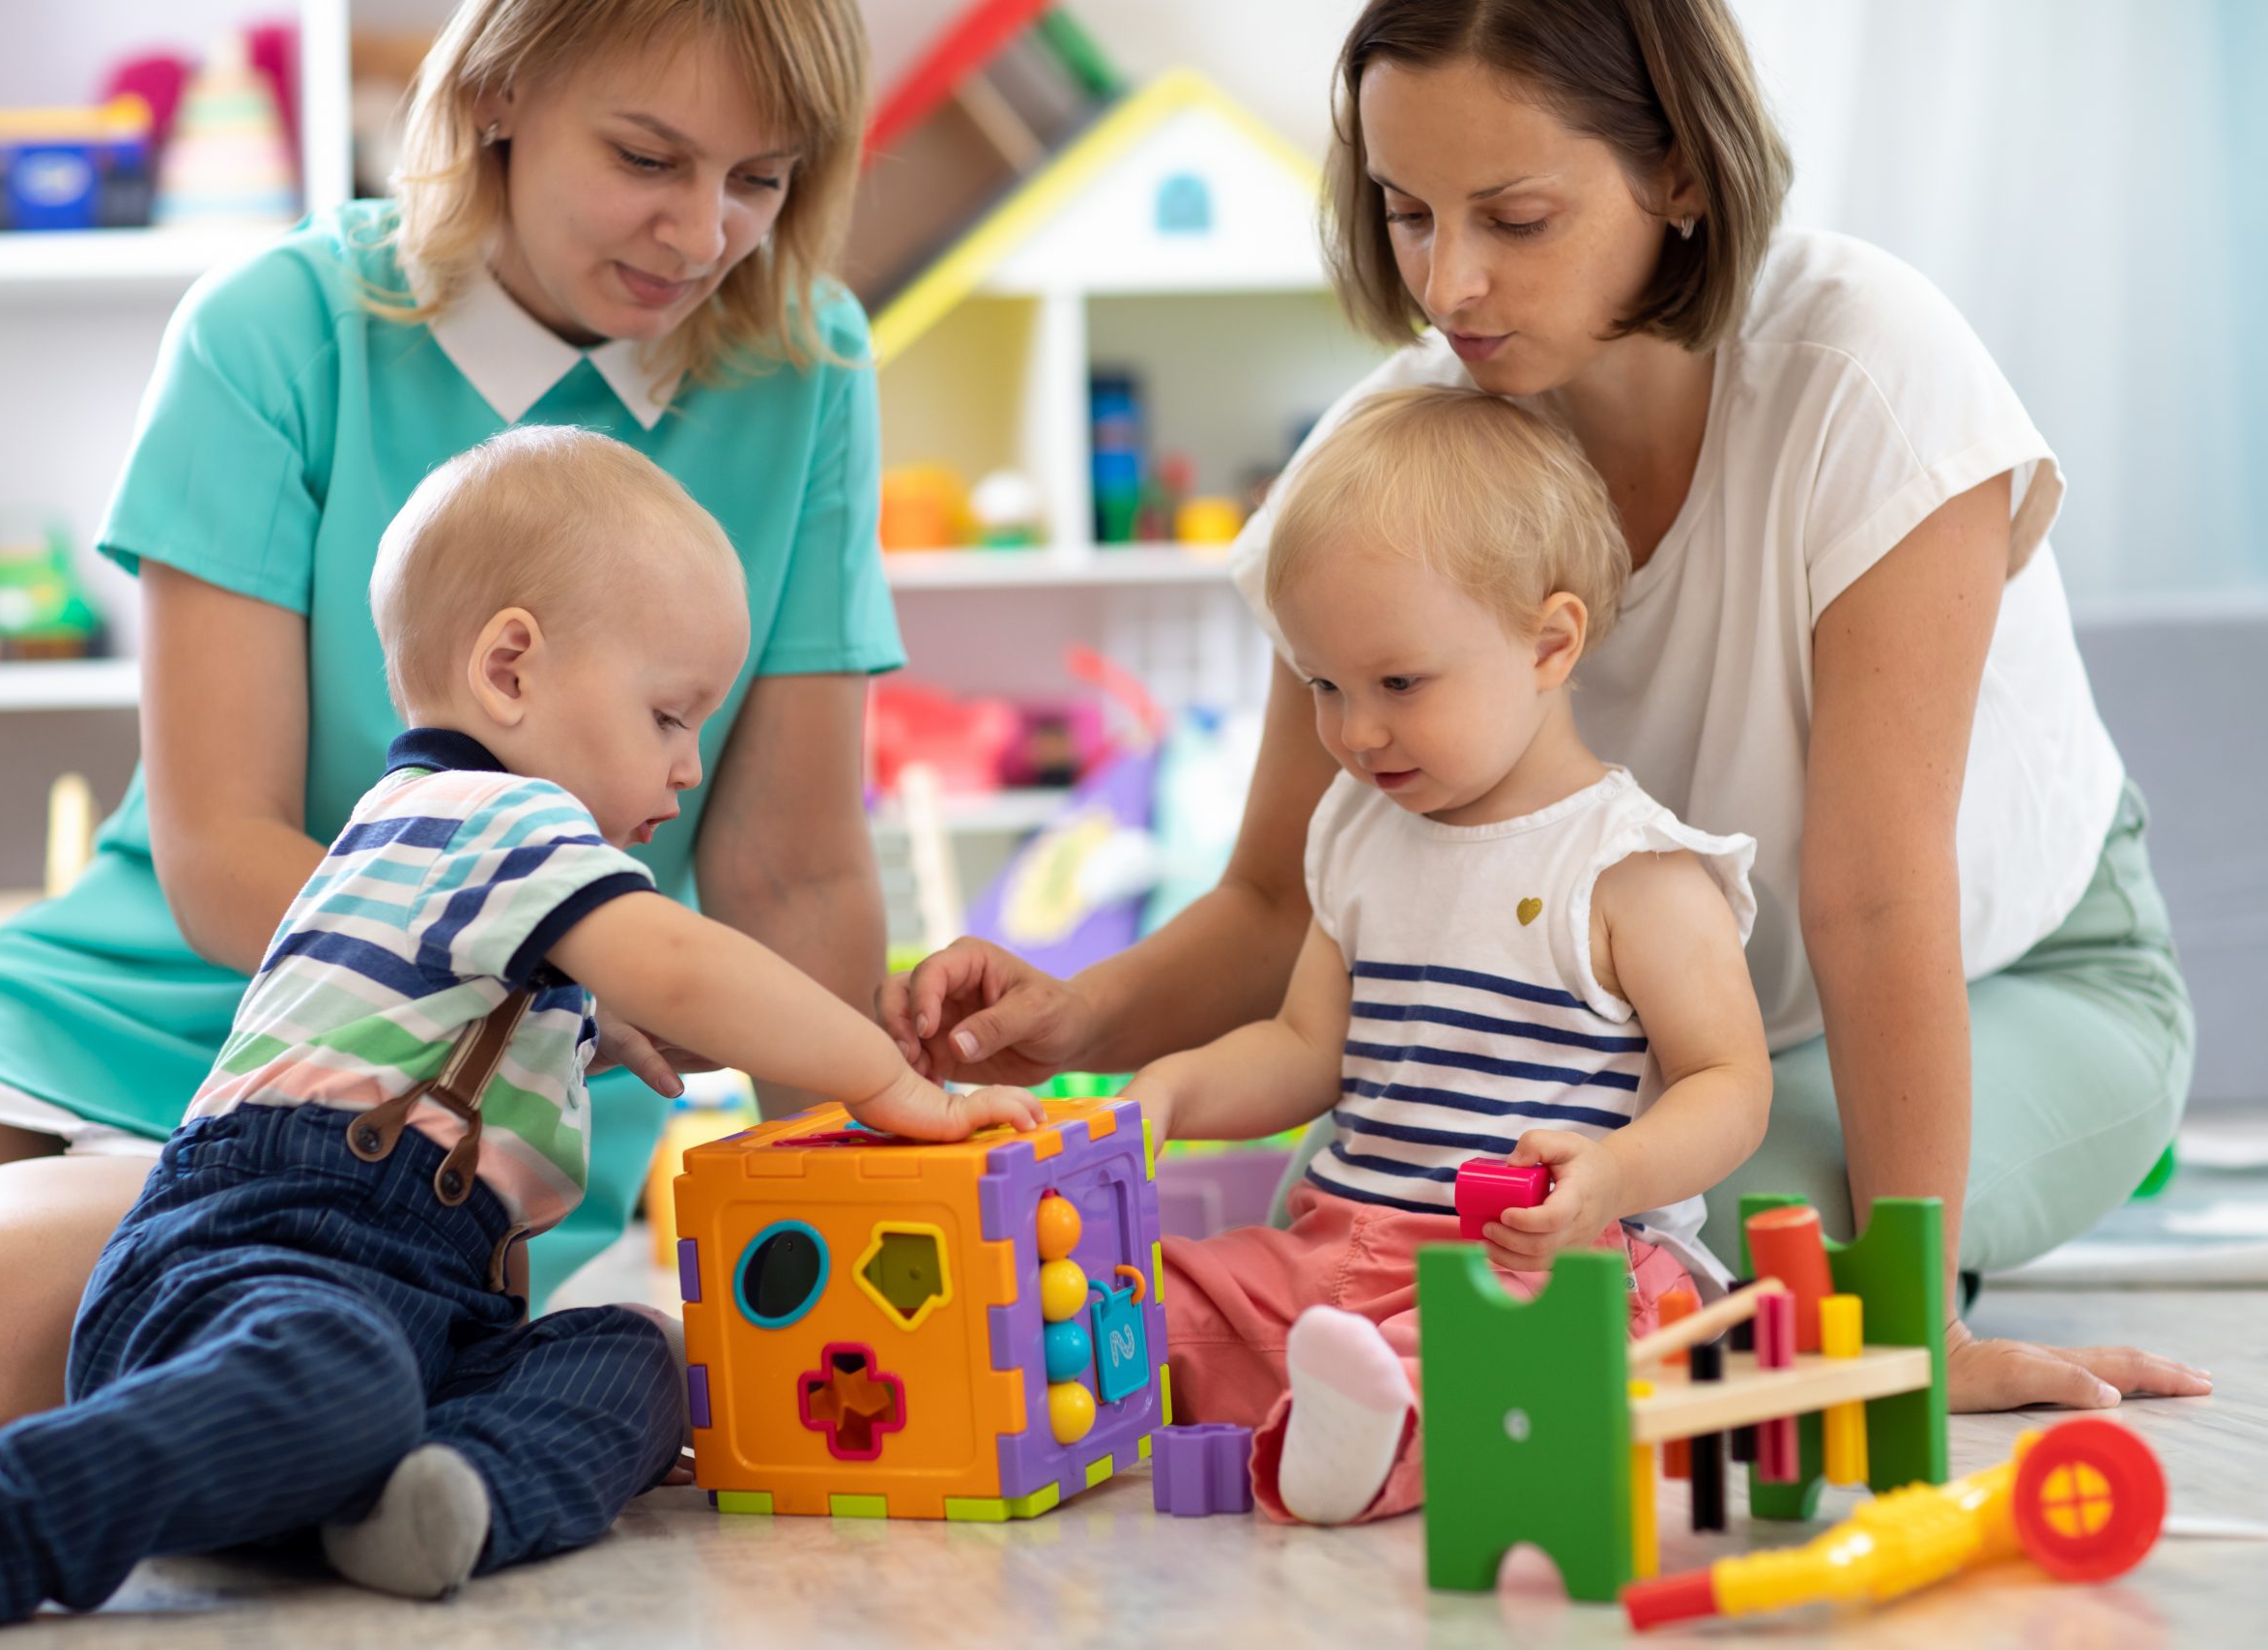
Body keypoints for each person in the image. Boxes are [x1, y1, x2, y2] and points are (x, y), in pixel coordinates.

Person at [882, 0, 2210, 1414]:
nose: (1451, 283)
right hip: (1649, 1050)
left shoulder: (1868, 377)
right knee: (1373, 1233)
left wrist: (1909, 1331)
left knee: (1679, 1264)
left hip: (2009, 975)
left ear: (1682, 172)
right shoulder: (1396, 460)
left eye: (1515, 219)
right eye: (1407, 212)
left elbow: (1880, 900)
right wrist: (1071, 1019)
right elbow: (1279, 903)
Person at [0, 0, 894, 1472]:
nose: (703, 233)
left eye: (760, 179)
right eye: (648, 157)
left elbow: (793, 871)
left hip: (433, 1087)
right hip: (138, 990)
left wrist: (878, 1214)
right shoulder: (278, 324)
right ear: (502, 93)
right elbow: (217, 846)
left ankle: (344, 1355)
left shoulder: (804, 365)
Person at [0, 429, 1042, 1650]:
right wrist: (886, 1083)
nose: (688, 767)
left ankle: (446, 1494)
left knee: (645, 1355)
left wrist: (593, 1032)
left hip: (425, 1308)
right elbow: (677, 952)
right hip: (258, 1264)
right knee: (338, 1368)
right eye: (669, 715)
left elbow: (481, 1022)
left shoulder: (470, 874)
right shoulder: (489, 817)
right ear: (510, 671)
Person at [1128, 388, 1767, 1526]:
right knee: (1153, 1302)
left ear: (1549, 642)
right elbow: (1302, 1051)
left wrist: (1612, 1177)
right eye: (1324, 685)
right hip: (1337, 1256)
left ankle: (1368, 1440)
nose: (1354, 731)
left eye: (1398, 685)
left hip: (1546, 1268)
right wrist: (1172, 1090)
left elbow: (1731, 1084)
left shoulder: (1630, 866)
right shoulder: (1357, 835)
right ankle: (1325, 1410)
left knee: (1511, 1357)